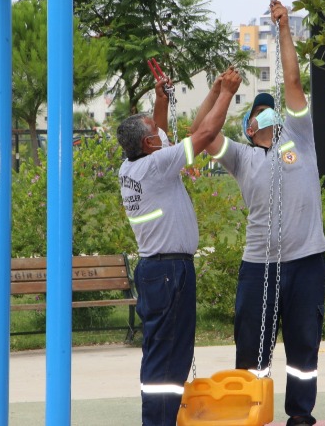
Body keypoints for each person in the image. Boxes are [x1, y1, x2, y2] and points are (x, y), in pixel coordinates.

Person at [191, 0, 325, 426]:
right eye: (258, 111)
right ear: (249, 125)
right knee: (252, 347)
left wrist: (283, 27)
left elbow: (291, 78)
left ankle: (300, 416)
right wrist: (219, 92)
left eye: (272, 108)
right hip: (259, 265)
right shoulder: (242, 157)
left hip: (306, 263)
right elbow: (200, 133)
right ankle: (251, 411)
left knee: (304, 348)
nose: (268, 112)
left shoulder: (299, 138)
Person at [117, 66, 241, 426]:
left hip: (161, 270)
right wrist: (227, 94)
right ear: (148, 144)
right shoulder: (156, 167)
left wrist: (160, 100)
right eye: (154, 131)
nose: (160, 133)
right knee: (166, 356)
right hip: (168, 271)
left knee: (169, 351)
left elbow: (164, 136)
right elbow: (204, 134)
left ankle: (162, 420)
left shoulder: (131, 166)